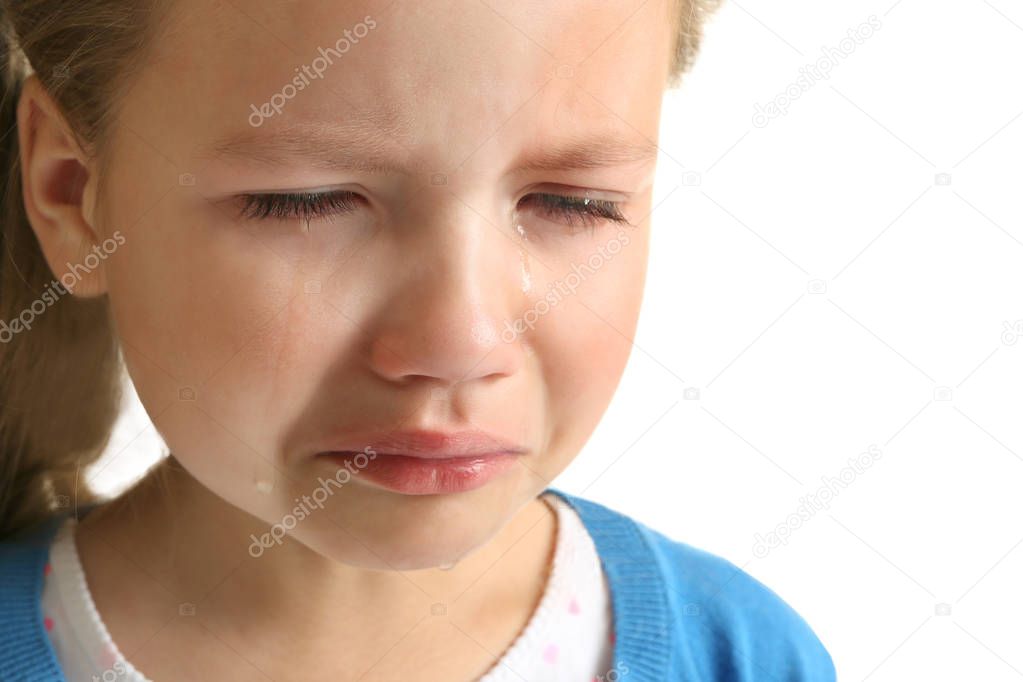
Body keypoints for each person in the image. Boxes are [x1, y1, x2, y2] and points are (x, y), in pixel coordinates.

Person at [0, 0, 835, 679]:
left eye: (571, 203)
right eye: (312, 200)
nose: (460, 341)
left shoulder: (743, 656)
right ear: (73, 195)